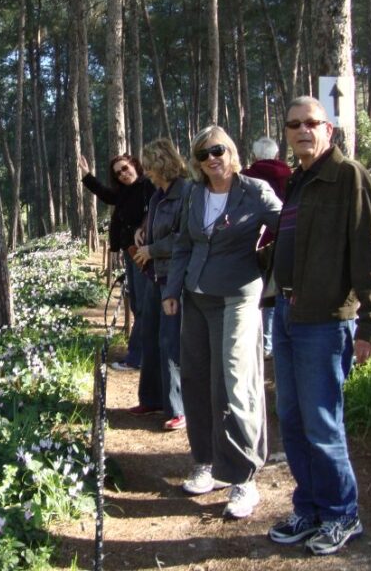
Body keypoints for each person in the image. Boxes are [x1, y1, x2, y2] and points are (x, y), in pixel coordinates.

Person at [267, 96, 371, 555]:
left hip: (324, 321)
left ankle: (342, 514)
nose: (302, 131)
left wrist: (370, 325)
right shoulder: (298, 180)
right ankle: (311, 507)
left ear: (328, 129)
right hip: (287, 315)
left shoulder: (347, 176)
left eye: (311, 123)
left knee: (322, 423)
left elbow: (369, 254)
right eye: (294, 124)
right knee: (292, 419)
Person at [163, 126, 281, 519]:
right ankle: (207, 461)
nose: (211, 159)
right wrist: (171, 291)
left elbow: (289, 226)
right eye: (202, 154)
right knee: (196, 378)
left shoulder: (256, 191)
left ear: (231, 150)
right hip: (196, 296)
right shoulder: (195, 194)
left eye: (218, 150)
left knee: (234, 380)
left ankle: (244, 477)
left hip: (237, 294)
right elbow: (183, 244)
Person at [131, 139, 189, 427]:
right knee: (149, 337)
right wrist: (141, 233)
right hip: (153, 275)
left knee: (171, 342)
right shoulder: (157, 196)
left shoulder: (186, 193)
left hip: (174, 277)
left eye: (151, 167)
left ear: (162, 164)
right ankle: (151, 400)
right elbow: (151, 224)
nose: (148, 174)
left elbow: (183, 237)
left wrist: (152, 250)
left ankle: (178, 409)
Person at [79, 153, 154, 371]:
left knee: (142, 307)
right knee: (139, 304)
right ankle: (142, 355)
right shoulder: (124, 192)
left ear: (134, 165)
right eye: (118, 173)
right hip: (130, 252)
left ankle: (137, 358)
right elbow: (106, 195)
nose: (123, 174)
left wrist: (144, 227)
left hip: (144, 253)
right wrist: (86, 176)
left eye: (125, 168)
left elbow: (156, 208)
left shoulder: (147, 184)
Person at [241, 136, 291, 358]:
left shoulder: (246, 177)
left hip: (256, 242)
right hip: (282, 239)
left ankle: (259, 342)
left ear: (255, 156)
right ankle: (270, 343)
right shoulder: (290, 174)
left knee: (253, 292)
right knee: (274, 291)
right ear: (277, 154)